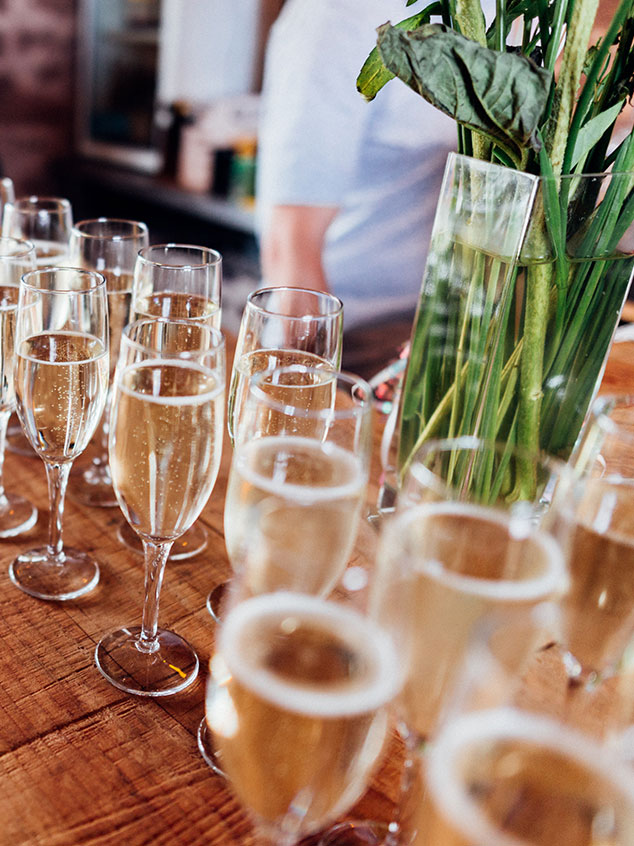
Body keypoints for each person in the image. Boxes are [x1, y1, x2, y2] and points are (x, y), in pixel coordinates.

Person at [255, 0, 457, 379]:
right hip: (357, 347)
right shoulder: (337, 15)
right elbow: (289, 246)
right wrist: (311, 390)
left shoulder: (517, 18)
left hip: (462, 341)